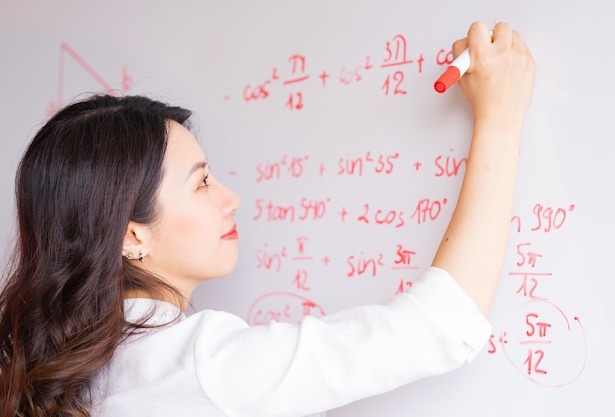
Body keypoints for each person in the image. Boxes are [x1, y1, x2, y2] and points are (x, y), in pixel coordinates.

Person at [0, 21, 534, 417]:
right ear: (131, 235)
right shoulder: (199, 365)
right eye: (202, 182)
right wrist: (501, 120)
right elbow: (438, 329)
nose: (230, 198)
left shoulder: (77, 376)